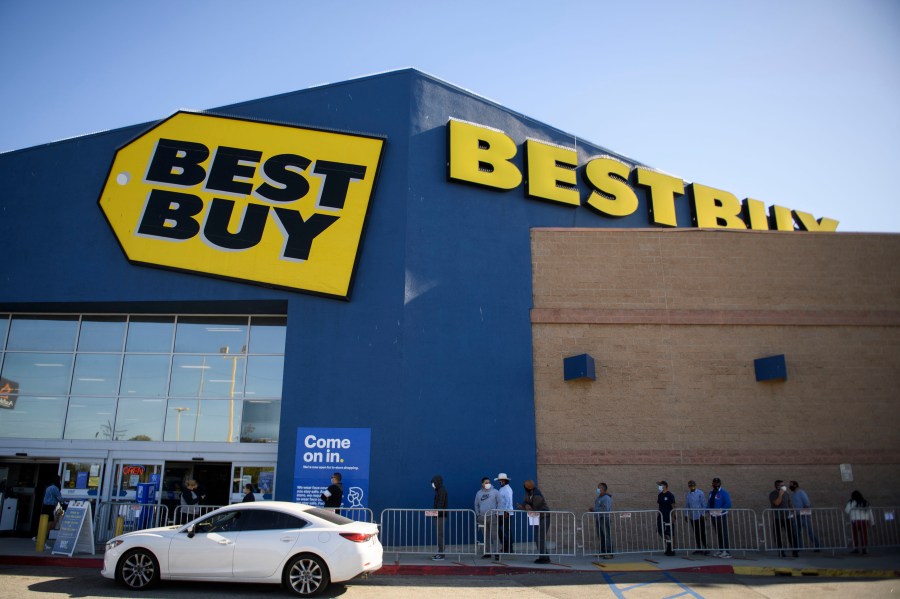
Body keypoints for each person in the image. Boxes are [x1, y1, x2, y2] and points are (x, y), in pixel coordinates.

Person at [518, 479, 550, 564]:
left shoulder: (537, 495)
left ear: (527, 487)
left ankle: (545, 558)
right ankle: (543, 556)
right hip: (536, 516)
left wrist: (525, 507)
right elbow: (525, 502)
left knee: (541, 537)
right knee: (537, 537)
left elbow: (535, 508)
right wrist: (525, 505)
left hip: (544, 517)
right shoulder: (528, 494)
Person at [769, 479, 800, 557]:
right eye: (781, 485)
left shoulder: (786, 494)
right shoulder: (772, 494)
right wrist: (780, 494)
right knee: (778, 536)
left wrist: (793, 510)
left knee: (791, 535)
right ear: (777, 486)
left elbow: (789, 503)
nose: (783, 486)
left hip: (787, 517)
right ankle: (781, 552)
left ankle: (795, 551)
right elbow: (777, 503)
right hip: (778, 518)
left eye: (783, 485)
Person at [474, 477, 501, 560]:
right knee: (486, 536)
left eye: (489, 482)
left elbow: (499, 502)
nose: (488, 484)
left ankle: (497, 553)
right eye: (486, 482)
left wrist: (497, 513)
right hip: (482, 517)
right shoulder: (479, 493)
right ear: (482, 484)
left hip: (493, 517)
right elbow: (476, 504)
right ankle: (487, 552)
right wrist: (478, 515)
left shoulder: (495, 492)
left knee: (495, 535)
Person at [789, 480, 820, 551]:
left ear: (795, 485)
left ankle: (817, 546)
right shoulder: (793, 494)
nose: (790, 486)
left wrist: (802, 513)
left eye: (791, 485)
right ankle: (799, 547)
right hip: (796, 515)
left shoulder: (801, 492)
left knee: (809, 531)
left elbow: (807, 504)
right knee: (797, 532)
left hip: (804, 515)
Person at [707, 477, 732, 558]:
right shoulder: (711, 492)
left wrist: (720, 510)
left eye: (717, 483)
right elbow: (709, 503)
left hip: (721, 515)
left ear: (720, 484)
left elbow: (728, 503)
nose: (716, 484)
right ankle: (721, 550)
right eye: (714, 483)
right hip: (713, 515)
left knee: (723, 532)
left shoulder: (723, 492)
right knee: (719, 533)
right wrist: (706, 511)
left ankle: (726, 551)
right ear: (712, 484)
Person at [845, 490, 874, 555]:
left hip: (855, 520)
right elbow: (870, 513)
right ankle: (865, 549)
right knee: (864, 535)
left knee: (855, 535)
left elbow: (846, 510)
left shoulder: (851, 502)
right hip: (864, 520)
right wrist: (873, 523)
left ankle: (856, 548)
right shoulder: (865, 502)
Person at [589, 482, 613, 559]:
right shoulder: (599, 498)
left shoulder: (606, 498)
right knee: (601, 536)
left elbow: (605, 509)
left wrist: (594, 509)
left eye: (599, 488)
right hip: (599, 518)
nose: (597, 489)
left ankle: (609, 553)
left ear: (603, 489)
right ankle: (602, 552)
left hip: (604, 518)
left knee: (606, 536)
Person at [685, 480, 709, 555]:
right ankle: (699, 548)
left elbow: (703, 504)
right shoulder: (688, 494)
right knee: (696, 533)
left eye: (692, 485)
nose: (691, 487)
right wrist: (686, 514)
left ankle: (706, 548)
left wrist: (703, 514)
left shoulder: (700, 493)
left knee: (702, 532)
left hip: (700, 516)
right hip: (693, 516)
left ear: (695, 485)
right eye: (690, 486)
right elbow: (687, 505)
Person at [494, 473, 514, 554]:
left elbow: (509, 500)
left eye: (500, 480)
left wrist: (506, 511)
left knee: (506, 530)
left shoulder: (507, 489)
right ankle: (505, 545)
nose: (499, 482)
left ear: (504, 481)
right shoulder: (502, 489)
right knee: (498, 529)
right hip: (501, 513)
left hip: (506, 513)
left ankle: (509, 547)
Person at [431, 475, 448, 561]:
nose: (432, 485)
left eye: (433, 483)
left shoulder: (441, 491)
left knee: (440, 535)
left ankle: (441, 554)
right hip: (438, 515)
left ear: (437, 482)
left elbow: (440, 506)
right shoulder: (439, 490)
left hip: (440, 516)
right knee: (439, 535)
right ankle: (440, 552)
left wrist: (433, 513)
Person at [656, 480, 676, 556]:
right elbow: (659, 506)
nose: (659, 487)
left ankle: (672, 549)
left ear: (665, 486)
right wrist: (658, 514)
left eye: (661, 485)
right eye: (659, 485)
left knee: (670, 532)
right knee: (660, 531)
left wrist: (673, 516)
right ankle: (668, 545)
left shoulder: (670, 495)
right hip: (661, 516)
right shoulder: (660, 495)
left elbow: (673, 506)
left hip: (669, 515)